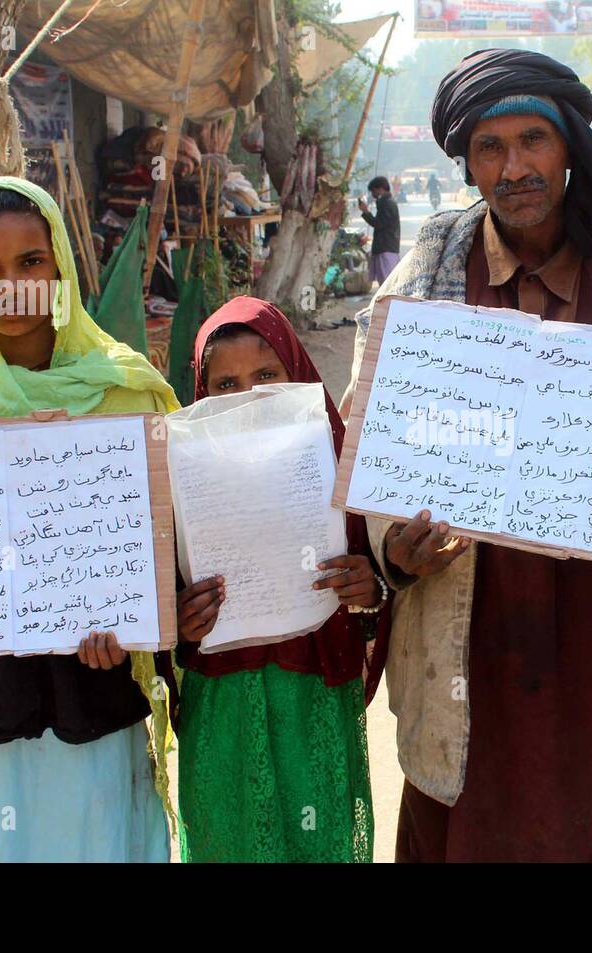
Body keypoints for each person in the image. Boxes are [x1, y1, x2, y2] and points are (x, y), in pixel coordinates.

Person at [342, 48, 592, 862]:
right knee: (463, 818)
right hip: (464, 635)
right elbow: (367, 427)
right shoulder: (424, 277)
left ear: (568, 149)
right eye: (490, 147)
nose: (514, 166)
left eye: (533, 140)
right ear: (466, 161)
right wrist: (395, 549)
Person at [0, 176, 180, 862]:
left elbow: (169, 552)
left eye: (30, 261)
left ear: (61, 268)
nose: (8, 285)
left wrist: (134, 626)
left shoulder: (124, 392)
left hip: (96, 698)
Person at [175, 296, 390, 862]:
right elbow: (144, 605)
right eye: (226, 384)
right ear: (202, 392)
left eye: (268, 376)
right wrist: (180, 621)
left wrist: (371, 591)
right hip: (222, 700)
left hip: (311, 695)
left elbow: (379, 578)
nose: (250, 397)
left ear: (296, 373)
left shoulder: (337, 457)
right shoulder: (175, 481)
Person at [357, 176, 401, 288]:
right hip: (386, 247)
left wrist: (366, 212)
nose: (373, 194)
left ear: (381, 189)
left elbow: (379, 224)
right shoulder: (386, 203)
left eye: (374, 191)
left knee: (387, 283)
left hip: (386, 247)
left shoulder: (387, 204)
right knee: (386, 282)